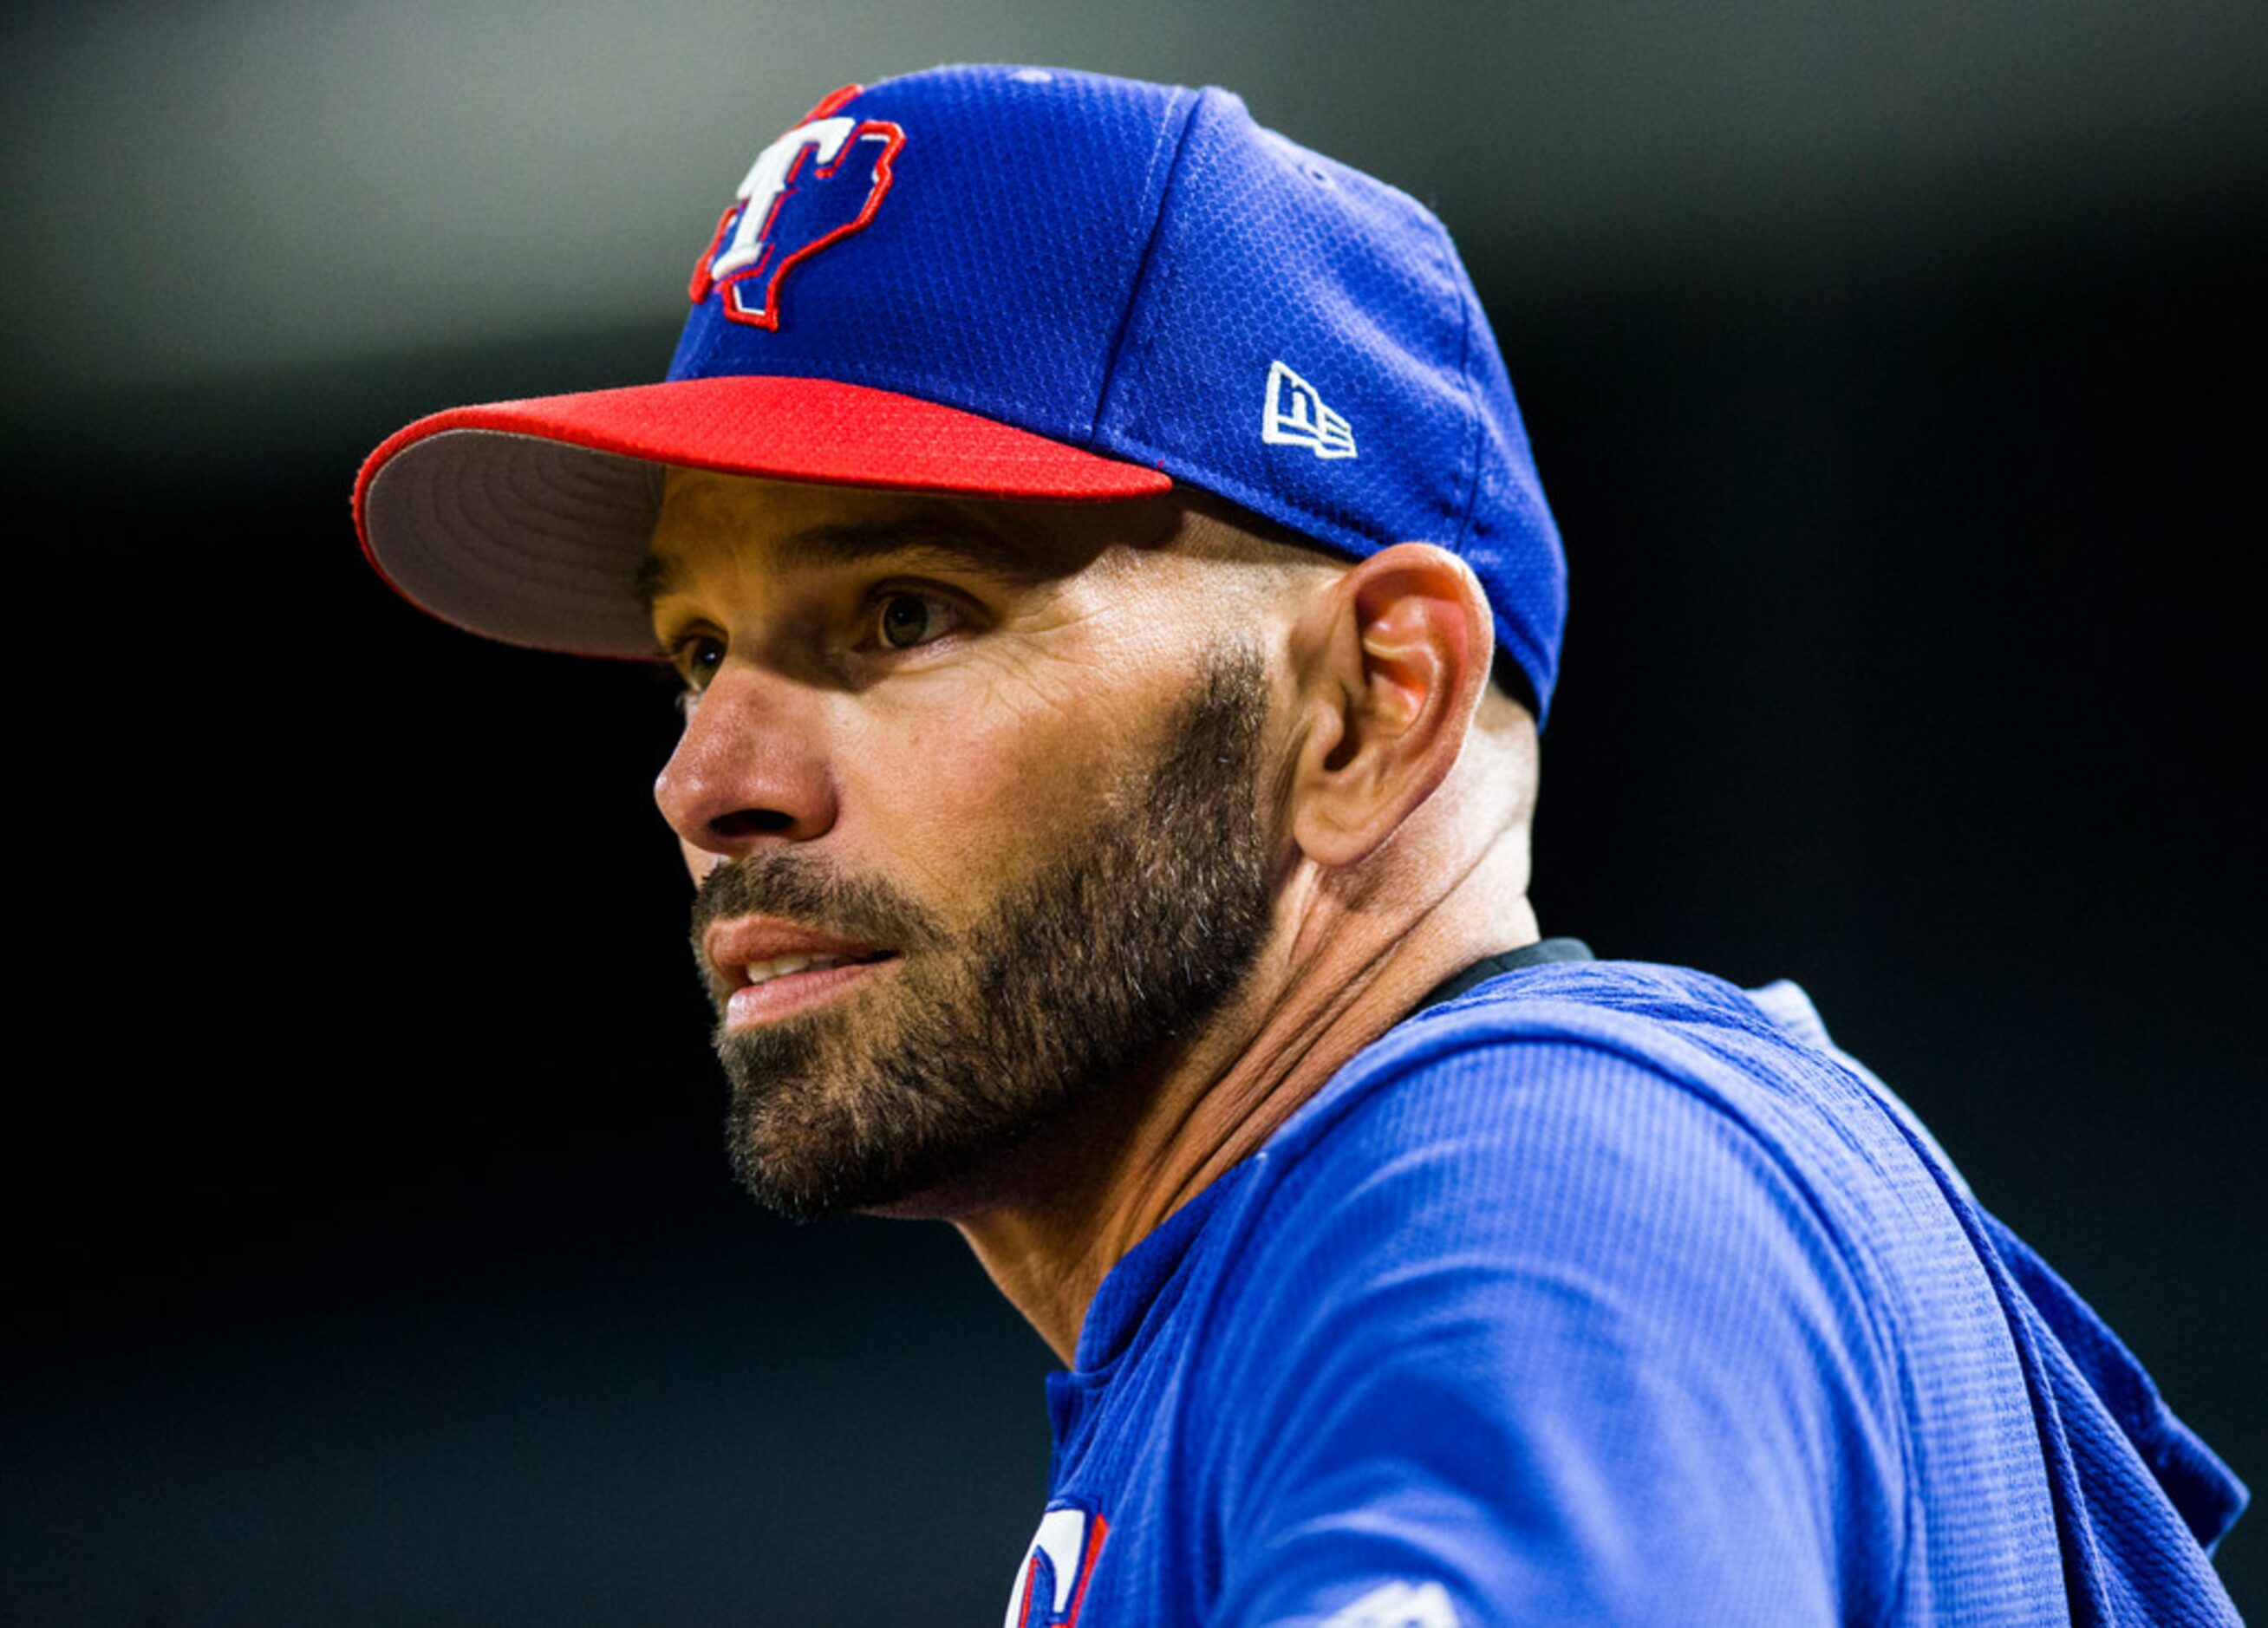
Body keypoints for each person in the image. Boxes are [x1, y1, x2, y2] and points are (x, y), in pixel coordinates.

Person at [355, 63, 2245, 1626]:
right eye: (695, 650)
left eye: (904, 613)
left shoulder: (1512, 1211)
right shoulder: (1341, 1266)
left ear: (1370, 709)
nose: (708, 779)